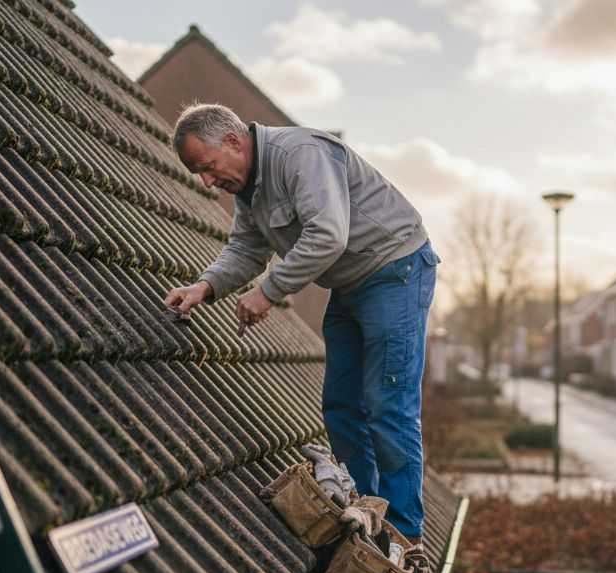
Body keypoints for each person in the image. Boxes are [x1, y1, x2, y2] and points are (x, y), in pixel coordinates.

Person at [164, 104, 437, 550]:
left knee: (388, 402)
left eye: (208, 168)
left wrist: (267, 291)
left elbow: (329, 233)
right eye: (200, 175)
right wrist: (204, 286)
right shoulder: (249, 190)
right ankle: (369, 511)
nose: (208, 183)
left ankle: (404, 534)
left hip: (396, 271)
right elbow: (247, 251)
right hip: (350, 284)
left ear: (234, 141)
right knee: (340, 405)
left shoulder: (299, 153)